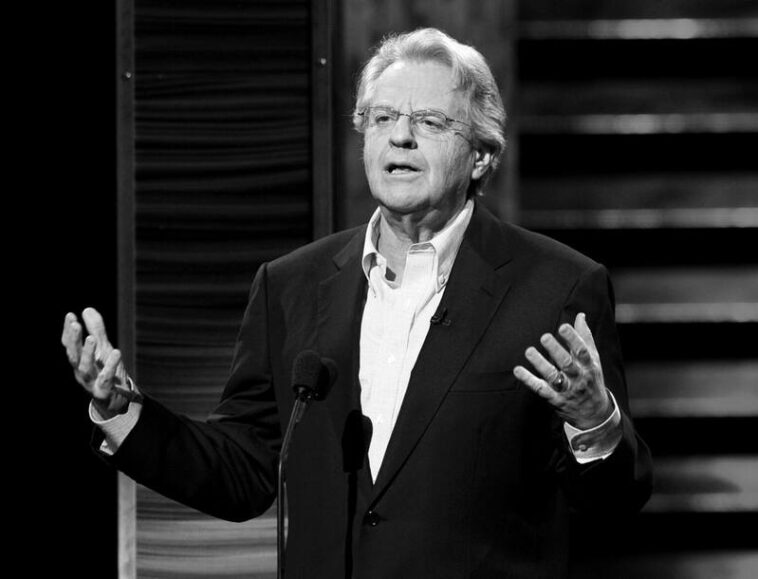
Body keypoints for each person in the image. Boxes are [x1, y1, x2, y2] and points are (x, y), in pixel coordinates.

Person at [62, 27, 652, 579]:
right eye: (383, 117)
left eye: (429, 121)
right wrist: (122, 411)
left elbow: (611, 506)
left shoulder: (556, 287)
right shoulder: (291, 285)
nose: (400, 137)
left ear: (480, 155)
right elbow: (242, 471)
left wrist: (594, 419)